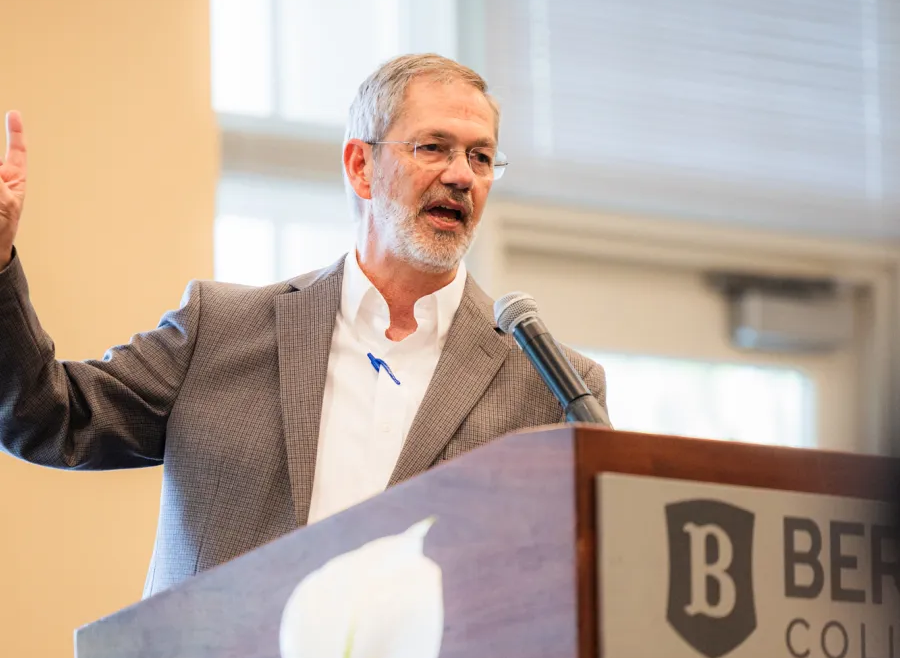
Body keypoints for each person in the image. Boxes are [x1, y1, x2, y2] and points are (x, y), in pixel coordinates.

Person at [0, 54, 610, 596]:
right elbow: (49, 418)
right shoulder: (221, 330)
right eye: (433, 147)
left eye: (480, 157)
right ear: (360, 166)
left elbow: (573, 583)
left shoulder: (548, 386)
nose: (462, 175)